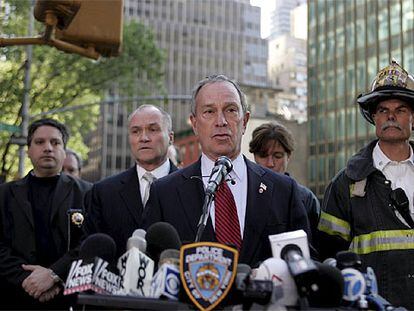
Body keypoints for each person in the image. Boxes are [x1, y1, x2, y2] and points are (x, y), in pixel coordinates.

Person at [143, 75, 310, 267]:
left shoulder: (284, 190)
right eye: (209, 111)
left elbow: (305, 263)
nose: (221, 121)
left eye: (231, 110)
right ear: (195, 124)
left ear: (245, 121)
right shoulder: (164, 193)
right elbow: (149, 269)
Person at [317, 60, 414, 308]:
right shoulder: (346, 183)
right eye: (383, 110)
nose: (391, 116)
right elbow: (328, 257)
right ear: (373, 117)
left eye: (401, 109)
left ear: (413, 117)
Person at [0, 118, 91, 309]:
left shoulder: (87, 193)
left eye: (55, 142)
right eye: (40, 142)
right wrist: (28, 280)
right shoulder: (5, 194)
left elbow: (89, 242)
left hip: (67, 297)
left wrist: (54, 275)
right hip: (15, 296)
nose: (48, 148)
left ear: (64, 150)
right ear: (29, 151)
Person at [85, 105, 178, 257]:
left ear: (171, 138)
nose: (144, 138)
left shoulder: (193, 187)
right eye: (136, 131)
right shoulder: (103, 192)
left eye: (153, 130)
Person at [249, 122, 320, 241]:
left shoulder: (305, 198)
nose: (270, 163)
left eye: (277, 156)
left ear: (289, 156)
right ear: (255, 156)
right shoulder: (245, 192)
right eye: (263, 155)